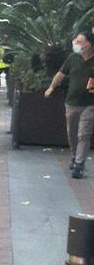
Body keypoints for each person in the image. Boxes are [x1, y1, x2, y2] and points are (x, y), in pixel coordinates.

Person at [45, 31, 94, 179]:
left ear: (89, 44)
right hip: (72, 102)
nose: (76, 44)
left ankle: (79, 165)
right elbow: (61, 74)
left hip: (90, 104)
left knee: (83, 134)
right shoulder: (72, 58)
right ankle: (74, 156)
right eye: (76, 41)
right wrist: (51, 87)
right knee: (72, 133)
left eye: (79, 42)